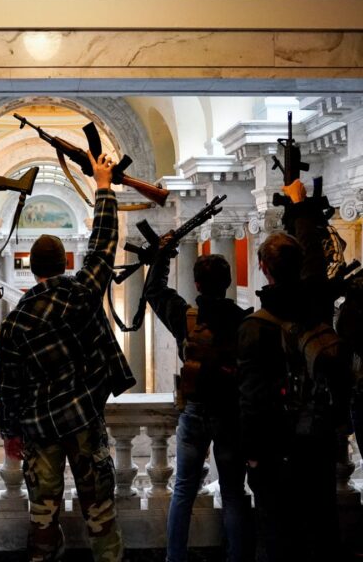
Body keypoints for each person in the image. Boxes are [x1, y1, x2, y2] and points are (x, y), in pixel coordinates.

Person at [0, 150, 135, 562]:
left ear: (33, 268)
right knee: (101, 512)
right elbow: (104, 245)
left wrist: (10, 432)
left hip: (39, 430)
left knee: (43, 515)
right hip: (85, 421)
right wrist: (104, 187)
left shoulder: (17, 321)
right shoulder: (81, 293)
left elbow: (8, 384)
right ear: (64, 263)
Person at [237, 179, 344, 562]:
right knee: (321, 529)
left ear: (263, 269)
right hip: (318, 440)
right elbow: (313, 259)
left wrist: (250, 453)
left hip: (274, 450)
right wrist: (300, 209)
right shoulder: (316, 302)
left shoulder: (254, 327)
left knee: (275, 532)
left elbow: (251, 400)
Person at [144, 242, 253, 562]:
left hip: (194, 410)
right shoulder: (244, 319)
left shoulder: (186, 317)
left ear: (196, 284)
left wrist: (162, 256)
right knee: (234, 493)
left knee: (183, 490)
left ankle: (175, 557)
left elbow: (153, 290)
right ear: (229, 282)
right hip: (230, 412)